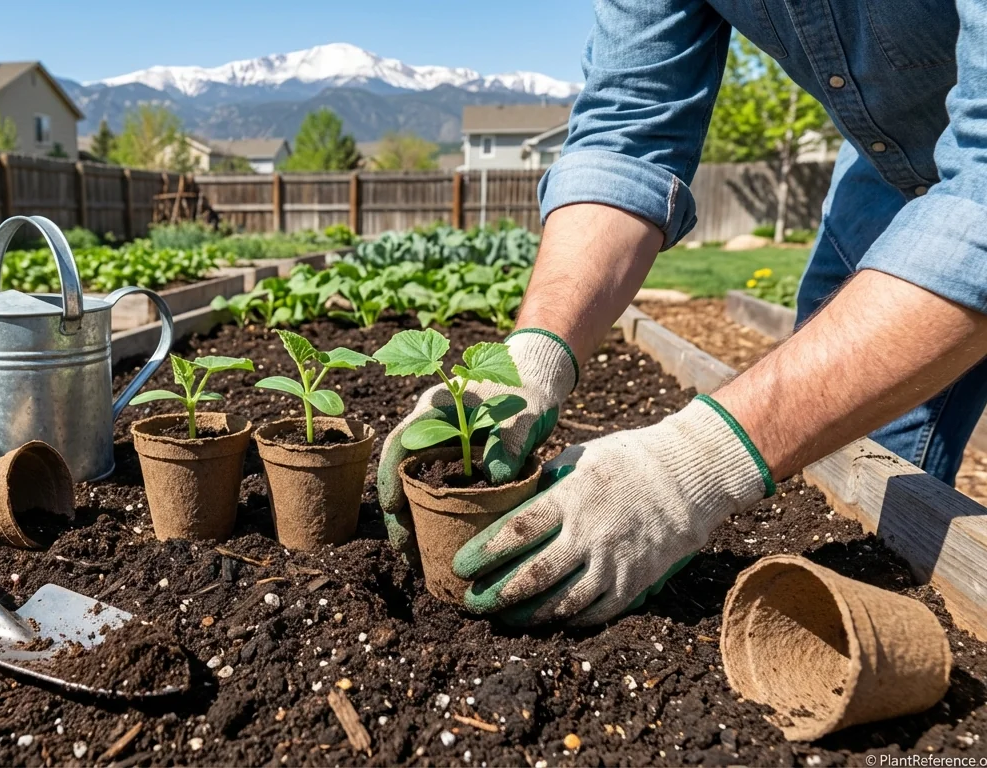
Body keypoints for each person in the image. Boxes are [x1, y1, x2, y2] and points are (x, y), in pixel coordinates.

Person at [378, 0, 987, 626]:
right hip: (881, 167)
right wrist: (532, 358)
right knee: (852, 451)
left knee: (867, 468)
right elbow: (628, 126)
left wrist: (688, 466)